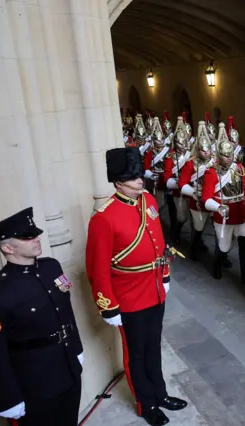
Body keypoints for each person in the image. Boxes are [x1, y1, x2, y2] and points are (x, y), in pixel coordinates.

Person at [85, 147, 188, 426]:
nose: (139, 180)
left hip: (153, 288)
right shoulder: (103, 217)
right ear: (118, 182)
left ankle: (161, 393)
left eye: (138, 174)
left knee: (154, 346)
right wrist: (109, 306)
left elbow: (160, 243)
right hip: (128, 298)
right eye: (132, 177)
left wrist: (164, 276)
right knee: (137, 354)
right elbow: (97, 268)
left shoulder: (149, 202)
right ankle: (146, 403)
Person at [0, 208, 83, 426]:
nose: (36, 239)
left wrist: (76, 349)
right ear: (8, 248)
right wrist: (8, 398)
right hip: (35, 383)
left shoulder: (51, 267)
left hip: (68, 368)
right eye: (27, 237)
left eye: (35, 234)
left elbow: (66, 312)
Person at [201, 123, 245, 283]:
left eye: (230, 154)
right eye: (225, 155)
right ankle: (216, 264)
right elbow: (206, 198)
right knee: (224, 246)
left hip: (241, 213)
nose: (229, 158)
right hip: (224, 214)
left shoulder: (239, 168)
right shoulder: (211, 172)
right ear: (219, 155)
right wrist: (218, 207)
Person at [178, 121, 215, 259]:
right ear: (198, 149)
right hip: (197, 198)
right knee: (198, 228)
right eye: (203, 150)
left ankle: (222, 256)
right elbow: (182, 183)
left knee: (218, 230)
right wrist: (193, 193)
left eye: (208, 150)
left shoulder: (215, 162)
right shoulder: (190, 163)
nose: (206, 153)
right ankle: (195, 249)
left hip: (213, 197)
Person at [164, 115, 193, 244]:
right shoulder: (171, 157)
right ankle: (176, 232)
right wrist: (178, 184)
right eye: (180, 142)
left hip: (191, 189)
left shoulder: (191, 155)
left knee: (194, 217)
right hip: (178, 191)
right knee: (181, 217)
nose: (183, 144)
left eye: (185, 141)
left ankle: (197, 241)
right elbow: (167, 177)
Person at [142, 117, 171, 197]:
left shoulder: (167, 151)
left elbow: (168, 167)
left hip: (163, 177)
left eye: (161, 139)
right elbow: (146, 167)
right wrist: (151, 175)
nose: (160, 141)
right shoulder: (149, 152)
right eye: (157, 140)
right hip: (152, 176)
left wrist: (166, 177)